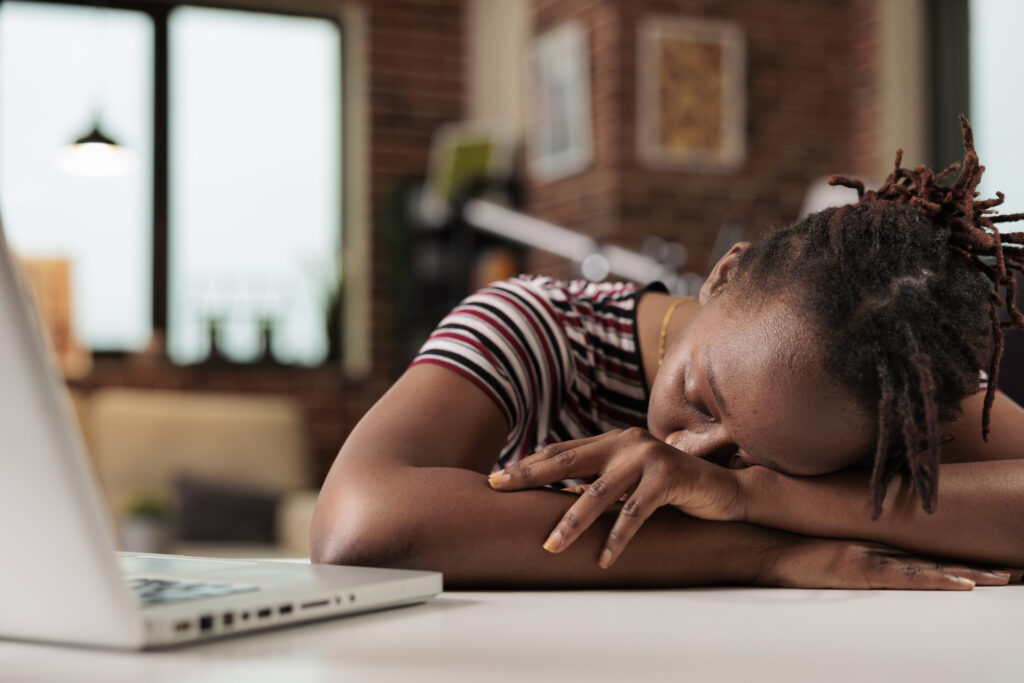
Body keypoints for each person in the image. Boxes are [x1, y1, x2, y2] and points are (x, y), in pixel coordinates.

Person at [311, 117, 1024, 590]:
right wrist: (766, 550)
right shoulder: (533, 326)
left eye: (756, 456)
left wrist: (755, 496)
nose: (690, 447)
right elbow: (361, 529)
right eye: (704, 395)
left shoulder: (880, 388)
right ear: (724, 273)